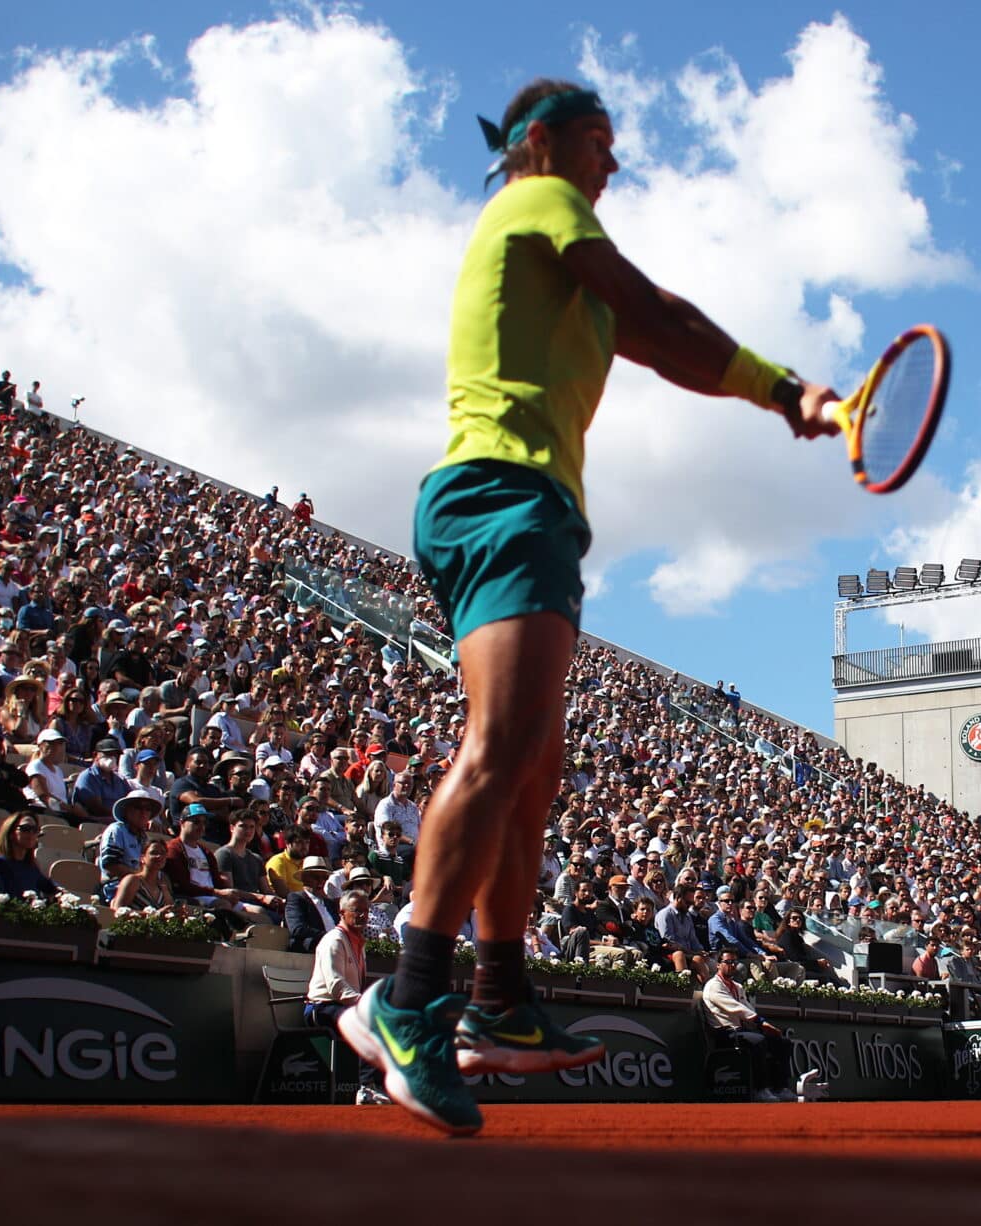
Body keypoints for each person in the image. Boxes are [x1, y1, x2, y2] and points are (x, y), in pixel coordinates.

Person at [340, 77, 838, 1137]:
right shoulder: (538, 203)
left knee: (534, 763)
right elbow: (657, 314)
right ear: (538, 142)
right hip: (502, 494)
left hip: (522, 505)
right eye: (597, 141)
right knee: (503, 741)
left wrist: (768, 387)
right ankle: (407, 996)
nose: (610, 162)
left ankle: (499, 999)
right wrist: (787, 388)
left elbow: (660, 336)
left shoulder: (567, 265)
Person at [306, 890, 392, 1105]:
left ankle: (380, 1086)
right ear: (342, 913)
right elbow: (336, 987)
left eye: (365, 911)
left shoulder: (357, 943)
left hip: (342, 1007)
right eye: (356, 911)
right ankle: (366, 1088)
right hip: (321, 1008)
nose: (362, 916)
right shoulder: (334, 941)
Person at [700, 952, 795, 1102]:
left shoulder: (737, 987)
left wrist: (764, 1026)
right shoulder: (713, 986)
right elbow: (736, 1008)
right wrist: (761, 1022)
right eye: (727, 962)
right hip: (725, 1034)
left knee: (782, 1041)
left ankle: (780, 1087)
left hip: (743, 1032)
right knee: (758, 1041)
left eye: (734, 962)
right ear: (718, 964)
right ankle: (761, 1089)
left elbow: (748, 1008)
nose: (732, 965)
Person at [0, 811, 58, 899]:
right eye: (25, 828)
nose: (31, 833)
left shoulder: (31, 867)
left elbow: (51, 888)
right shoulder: (0, 863)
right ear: (11, 833)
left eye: (35, 830)